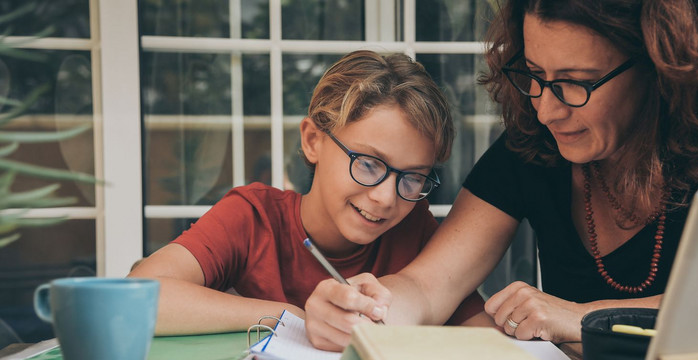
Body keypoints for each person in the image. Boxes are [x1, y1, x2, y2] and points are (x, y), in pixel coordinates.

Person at [304, 0, 698, 349]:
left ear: (660, 68)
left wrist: (582, 317)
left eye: (573, 83)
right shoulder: (532, 145)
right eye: (534, 74)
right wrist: (370, 307)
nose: (546, 109)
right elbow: (429, 286)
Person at [128, 50, 489, 335]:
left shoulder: (415, 231)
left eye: (412, 177)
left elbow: (485, 338)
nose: (386, 197)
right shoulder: (253, 218)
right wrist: (291, 317)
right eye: (367, 163)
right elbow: (135, 298)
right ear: (313, 140)